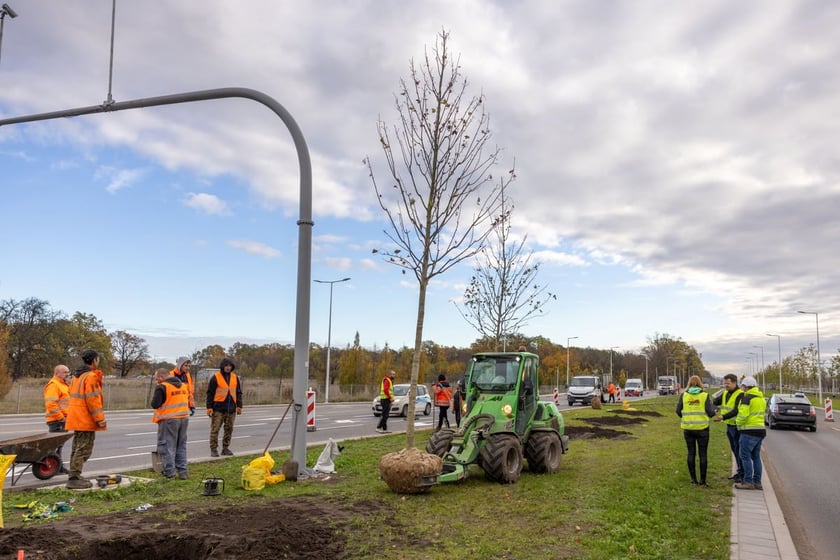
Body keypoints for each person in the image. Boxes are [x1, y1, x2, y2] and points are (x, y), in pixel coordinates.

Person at [65, 349, 107, 489]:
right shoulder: (90, 376)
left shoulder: (77, 376)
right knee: (84, 449)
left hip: (76, 417)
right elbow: (93, 400)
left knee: (77, 447)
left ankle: (74, 474)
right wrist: (100, 418)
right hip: (85, 419)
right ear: (94, 360)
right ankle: (74, 478)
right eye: (98, 359)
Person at [675, 375, 718, 487]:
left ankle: (693, 479)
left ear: (689, 383)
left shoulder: (684, 395)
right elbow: (710, 412)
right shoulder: (704, 395)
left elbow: (678, 411)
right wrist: (715, 410)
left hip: (688, 428)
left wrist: (685, 418)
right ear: (700, 383)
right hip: (702, 429)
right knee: (703, 454)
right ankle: (703, 481)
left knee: (691, 453)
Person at [151, 368, 190, 479]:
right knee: (181, 446)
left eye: (156, 378)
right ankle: (183, 472)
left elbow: (155, 404)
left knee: (167, 446)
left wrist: (157, 388)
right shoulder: (183, 385)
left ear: (161, 377)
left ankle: (169, 473)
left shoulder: (162, 387)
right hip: (184, 418)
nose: (156, 381)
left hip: (169, 420)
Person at [734, 376, 767, 490]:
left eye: (742, 386)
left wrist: (737, 424)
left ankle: (748, 481)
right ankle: (757, 482)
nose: (742, 388)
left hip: (748, 431)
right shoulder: (761, 398)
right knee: (756, 457)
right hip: (760, 430)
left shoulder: (746, 399)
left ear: (746, 387)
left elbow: (743, 416)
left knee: (745, 456)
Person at [206, 357, 242, 457]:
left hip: (231, 408)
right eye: (226, 366)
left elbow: (238, 392)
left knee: (229, 429)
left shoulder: (235, 378)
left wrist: (239, 406)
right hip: (218, 408)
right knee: (215, 429)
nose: (228, 367)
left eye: (230, 366)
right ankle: (213, 449)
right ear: (222, 366)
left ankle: (225, 448)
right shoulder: (215, 377)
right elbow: (210, 393)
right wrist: (209, 407)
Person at [713, 373, 745, 483]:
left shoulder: (740, 394)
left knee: (739, 450)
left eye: (728, 383)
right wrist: (711, 406)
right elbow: (716, 401)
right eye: (725, 383)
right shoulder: (726, 392)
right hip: (729, 425)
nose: (726, 385)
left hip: (737, 427)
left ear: (735, 383)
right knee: (734, 450)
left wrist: (723, 416)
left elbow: (736, 410)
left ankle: (742, 474)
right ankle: (739, 472)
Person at [43, 364, 71, 475]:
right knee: (54, 446)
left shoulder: (63, 385)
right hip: (57, 421)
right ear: (57, 373)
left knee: (59, 445)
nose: (67, 374)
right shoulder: (54, 385)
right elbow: (51, 405)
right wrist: (61, 418)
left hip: (63, 420)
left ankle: (58, 467)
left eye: (68, 372)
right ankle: (51, 466)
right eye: (65, 372)